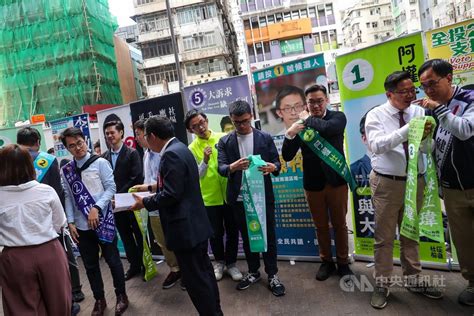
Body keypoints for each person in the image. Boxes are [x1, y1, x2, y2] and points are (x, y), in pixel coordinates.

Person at [365, 71, 442, 309]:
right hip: (387, 183)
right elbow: (377, 146)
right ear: (389, 94)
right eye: (404, 91)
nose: (411, 95)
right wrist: (408, 130)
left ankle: (414, 278)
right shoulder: (375, 115)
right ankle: (382, 284)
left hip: (415, 181)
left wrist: (426, 139)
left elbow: (427, 148)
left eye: (412, 90)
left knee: (410, 233)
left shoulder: (420, 111)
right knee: (384, 237)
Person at [130, 116, 222, 316]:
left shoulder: (170, 155)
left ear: (153, 136)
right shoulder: (180, 148)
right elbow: (178, 183)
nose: (144, 140)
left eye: (145, 136)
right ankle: (215, 311)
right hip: (195, 226)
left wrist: (144, 202)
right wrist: (151, 188)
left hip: (185, 231)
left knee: (196, 281)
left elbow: (172, 194)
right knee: (204, 274)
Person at [282, 84, 353, 280]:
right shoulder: (302, 125)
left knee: (340, 225)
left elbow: (328, 129)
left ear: (327, 100)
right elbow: (287, 156)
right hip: (313, 184)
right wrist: (291, 133)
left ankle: (343, 262)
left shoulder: (337, 118)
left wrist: (307, 119)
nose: (315, 105)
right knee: (320, 226)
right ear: (306, 103)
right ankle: (326, 261)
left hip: (336, 181)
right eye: (311, 102)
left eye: (319, 101)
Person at [418, 59, 474, 306]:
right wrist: (424, 140)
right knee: (463, 240)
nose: (428, 90)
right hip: (452, 190)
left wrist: (440, 111)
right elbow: (431, 149)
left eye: (432, 83)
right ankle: (473, 283)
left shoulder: (470, 99)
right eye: (424, 86)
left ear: (449, 78)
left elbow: (464, 130)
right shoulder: (431, 110)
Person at [217, 100, 286, 296]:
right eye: (237, 122)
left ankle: (272, 274)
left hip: (262, 197)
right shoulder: (225, 142)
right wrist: (233, 167)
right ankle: (254, 271)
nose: (242, 125)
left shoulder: (264, 137)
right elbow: (221, 168)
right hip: (239, 200)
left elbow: (276, 162)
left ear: (251, 116)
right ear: (231, 119)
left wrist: (274, 167)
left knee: (268, 236)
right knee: (248, 237)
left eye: (245, 121)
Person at [60, 127, 128, 316]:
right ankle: (99, 299)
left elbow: (111, 188)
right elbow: (69, 197)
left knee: (113, 261)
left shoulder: (100, 163)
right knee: (90, 266)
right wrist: (71, 222)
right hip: (81, 227)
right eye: (72, 146)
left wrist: (96, 208)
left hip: (103, 222)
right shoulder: (67, 170)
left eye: (79, 143)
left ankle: (121, 296)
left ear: (85, 141)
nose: (77, 148)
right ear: (67, 148)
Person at [17, 127, 83, 314]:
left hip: (23, 228)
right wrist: (62, 222)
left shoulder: (10, 162)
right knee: (63, 257)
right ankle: (74, 292)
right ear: (38, 141)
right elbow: (58, 193)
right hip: (49, 222)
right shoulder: (48, 161)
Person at [0, 144, 71, 315]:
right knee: (59, 304)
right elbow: (60, 222)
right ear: (29, 165)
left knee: (21, 308)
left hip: (14, 259)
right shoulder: (45, 191)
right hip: (50, 252)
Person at [185, 109, 242, 282]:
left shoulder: (223, 138)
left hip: (229, 194)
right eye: (195, 126)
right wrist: (205, 160)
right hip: (209, 198)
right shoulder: (191, 149)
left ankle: (231, 263)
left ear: (207, 120)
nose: (200, 127)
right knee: (215, 233)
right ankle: (219, 262)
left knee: (232, 230)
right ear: (190, 130)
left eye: (202, 122)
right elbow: (196, 176)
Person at [131, 119, 182, 289]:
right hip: (151, 204)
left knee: (175, 239)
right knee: (161, 241)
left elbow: (168, 186)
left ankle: (184, 271)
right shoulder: (146, 153)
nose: (137, 138)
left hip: (164, 203)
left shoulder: (167, 153)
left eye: (140, 134)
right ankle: (175, 269)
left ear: (150, 135)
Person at [102, 120, 144, 281]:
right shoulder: (104, 157)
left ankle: (145, 265)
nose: (110, 136)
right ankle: (134, 266)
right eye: (107, 134)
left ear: (121, 133)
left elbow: (136, 177)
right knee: (126, 237)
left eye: (112, 132)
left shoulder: (132, 153)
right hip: (115, 206)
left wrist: (116, 195)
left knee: (139, 236)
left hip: (132, 202)